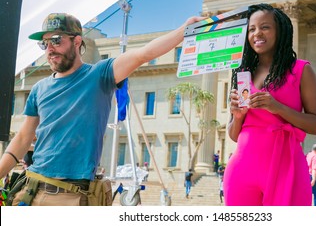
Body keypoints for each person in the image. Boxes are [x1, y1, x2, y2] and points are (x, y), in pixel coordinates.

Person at [0, 12, 204, 206]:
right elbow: (22, 139)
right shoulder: (38, 89)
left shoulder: (100, 74)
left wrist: (183, 30)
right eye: (44, 43)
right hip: (29, 191)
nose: (49, 49)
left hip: (69, 196)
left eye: (56, 40)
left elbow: (144, 54)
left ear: (77, 41)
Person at [223, 4, 316, 206]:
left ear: (280, 31)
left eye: (265, 27)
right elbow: (235, 135)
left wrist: (278, 107)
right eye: (251, 29)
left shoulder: (301, 70)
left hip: (286, 168)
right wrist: (237, 116)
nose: (257, 33)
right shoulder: (242, 73)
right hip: (241, 171)